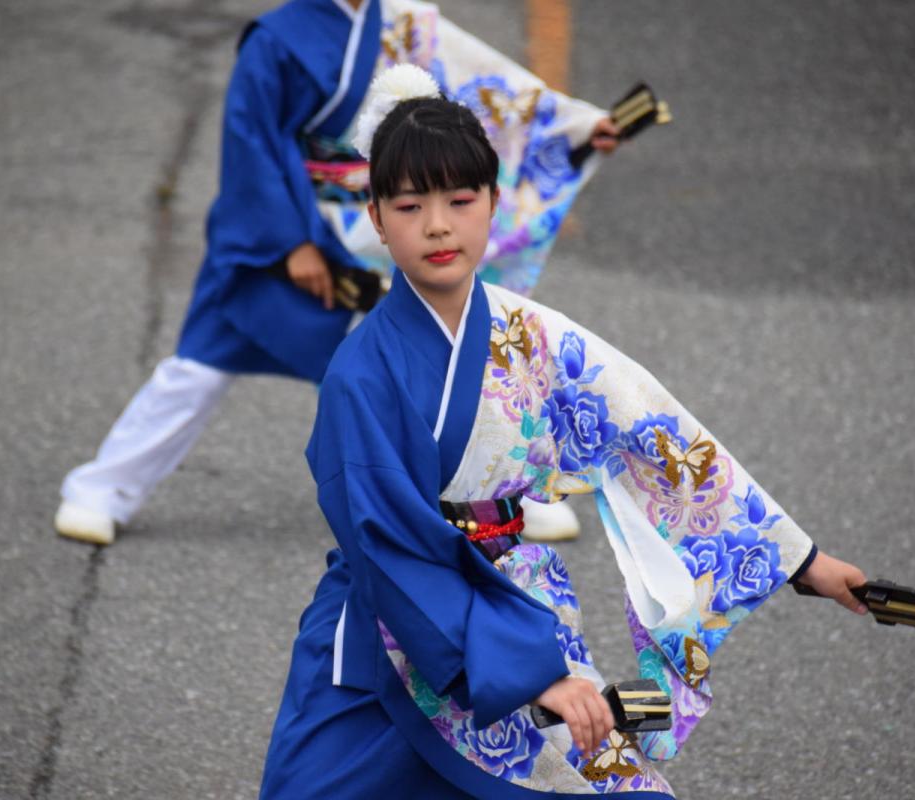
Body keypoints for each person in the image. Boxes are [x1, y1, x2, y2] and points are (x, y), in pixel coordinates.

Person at [258, 66, 869, 798]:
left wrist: (799, 561)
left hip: (516, 611)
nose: (440, 225)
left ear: (494, 203)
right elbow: (389, 545)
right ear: (377, 216)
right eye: (412, 205)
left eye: (461, 199)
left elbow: (653, 433)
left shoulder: (528, 334)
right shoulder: (363, 374)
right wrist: (530, 673)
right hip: (397, 641)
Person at [55, 0, 623, 546]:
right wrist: (293, 244)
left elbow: (486, 88)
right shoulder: (275, 40)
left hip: (367, 231)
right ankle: (102, 489)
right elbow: (248, 143)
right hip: (279, 231)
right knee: (200, 367)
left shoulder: (396, 21)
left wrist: (573, 128)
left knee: (425, 371)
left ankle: (507, 497)